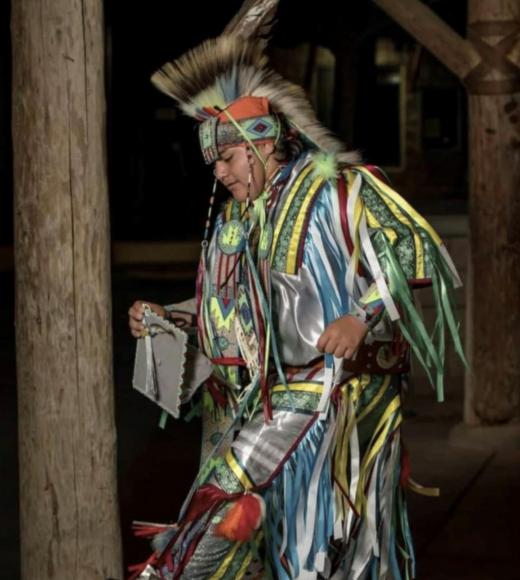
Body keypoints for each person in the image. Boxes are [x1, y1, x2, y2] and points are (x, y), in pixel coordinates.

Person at [127, 36, 465, 580]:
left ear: (263, 142)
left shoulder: (338, 189)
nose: (220, 173)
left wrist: (362, 316)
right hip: (271, 402)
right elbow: (231, 311)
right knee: (253, 536)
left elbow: (414, 247)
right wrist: (171, 319)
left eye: (228, 158)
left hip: (346, 401)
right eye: (213, 163)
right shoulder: (236, 222)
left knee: (341, 549)